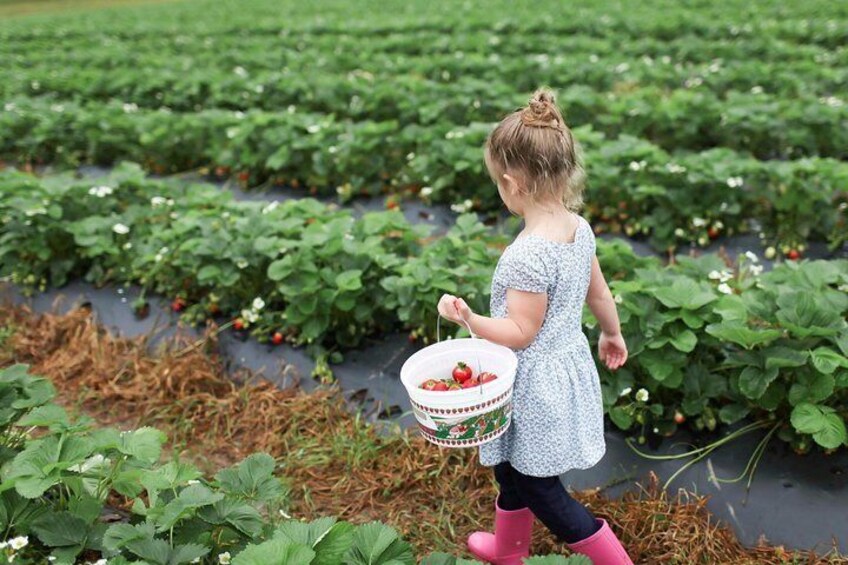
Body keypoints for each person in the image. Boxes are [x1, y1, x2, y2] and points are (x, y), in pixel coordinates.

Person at [437, 89, 633, 565]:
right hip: (561, 367)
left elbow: (520, 332)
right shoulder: (577, 228)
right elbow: (599, 294)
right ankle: (507, 551)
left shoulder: (527, 255)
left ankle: (615, 561)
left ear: (511, 183)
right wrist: (612, 332)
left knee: (538, 487)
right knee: (509, 469)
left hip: (534, 385)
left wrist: (466, 317)